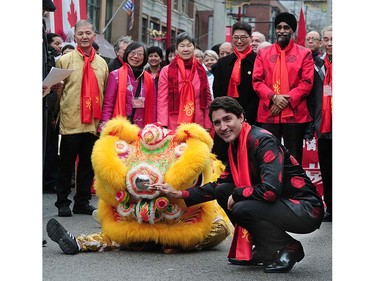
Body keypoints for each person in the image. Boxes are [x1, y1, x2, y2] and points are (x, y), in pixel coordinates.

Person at [150, 96, 324, 273]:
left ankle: (289, 247)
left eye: (227, 119)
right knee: (223, 191)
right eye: (217, 123)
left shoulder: (263, 141)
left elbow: (270, 190)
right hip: (282, 204)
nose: (223, 127)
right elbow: (220, 185)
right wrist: (179, 194)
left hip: (305, 208)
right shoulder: (236, 146)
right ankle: (266, 249)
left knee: (240, 206)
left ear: (241, 117)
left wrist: (239, 194)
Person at [54, 19, 109, 217]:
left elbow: (104, 91)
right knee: (66, 164)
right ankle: (62, 202)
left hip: (93, 123)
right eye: (81, 33)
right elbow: (57, 92)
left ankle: (82, 201)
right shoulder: (64, 61)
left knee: (87, 164)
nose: (84, 37)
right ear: (75, 36)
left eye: (88, 33)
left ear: (94, 36)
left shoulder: (102, 64)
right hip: (71, 120)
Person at [252, 12, 314, 164]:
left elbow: (306, 83)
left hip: (295, 114)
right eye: (278, 27)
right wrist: (274, 97)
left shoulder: (304, 53)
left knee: (294, 158)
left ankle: (295, 187)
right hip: (269, 113)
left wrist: (284, 101)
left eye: (286, 27)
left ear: (292, 30)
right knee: (268, 157)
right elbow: (257, 81)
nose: (282, 30)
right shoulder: (263, 53)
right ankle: (271, 187)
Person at [211, 21, 259, 167]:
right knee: (221, 158)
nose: (239, 41)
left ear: (250, 39)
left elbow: (258, 92)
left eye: (243, 38)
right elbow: (217, 91)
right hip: (225, 118)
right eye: (236, 38)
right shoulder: (222, 63)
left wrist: (243, 118)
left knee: (249, 158)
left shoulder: (258, 61)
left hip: (250, 118)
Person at [304, 26, 332, 222]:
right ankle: (330, 206)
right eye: (327, 39)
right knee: (328, 168)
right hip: (324, 126)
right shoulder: (317, 65)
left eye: (334, 39)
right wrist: (311, 125)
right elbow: (312, 98)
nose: (330, 43)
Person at [157, 32, 212, 131]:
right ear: (177, 49)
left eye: (189, 45)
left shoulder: (201, 70)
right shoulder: (167, 70)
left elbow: (207, 97)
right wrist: (163, 124)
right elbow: (162, 99)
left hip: (198, 121)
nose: (186, 49)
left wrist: (208, 123)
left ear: (194, 48)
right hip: (174, 121)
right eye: (182, 46)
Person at [99, 41, 157, 131]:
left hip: (142, 129)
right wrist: (104, 125)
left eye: (140, 54)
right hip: (120, 128)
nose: (136, 56)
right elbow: (108, 104)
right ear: (127, 54)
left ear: (144, 57)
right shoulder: (115, 75)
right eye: (133, 53)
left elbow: (153, 106)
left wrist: (152, 128)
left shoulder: (149, 79)